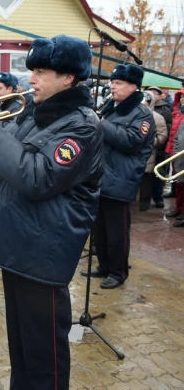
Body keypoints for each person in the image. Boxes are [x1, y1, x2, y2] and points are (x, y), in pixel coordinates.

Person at [0, 35, 103, 389]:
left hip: (44, 253)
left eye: (41, 71)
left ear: (68, 77)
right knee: (22, 348)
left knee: (45, 358)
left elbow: (37, 176)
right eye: (32, 71)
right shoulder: (38, 115)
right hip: (20, 246)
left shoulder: (82, 125)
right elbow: (5, 152)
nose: (32, 79)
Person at [84, 64, 155, 289]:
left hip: (121, 179)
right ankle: (104, 265)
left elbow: (132, 141)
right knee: (100, 230)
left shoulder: (142, 113)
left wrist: (102, 124)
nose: (112, 86)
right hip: (101, 176)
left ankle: (118, 272)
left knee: (117, 232)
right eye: (112, 82)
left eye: (118, 83)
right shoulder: (111, 107)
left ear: (133, 87)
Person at [138, 91, 168, 211]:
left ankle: (144, 202)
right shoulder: (133, 114)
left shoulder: (157, 117)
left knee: (146, 180)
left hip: (149, 154)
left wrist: (149, 142)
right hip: (133, 153)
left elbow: (162, 136)